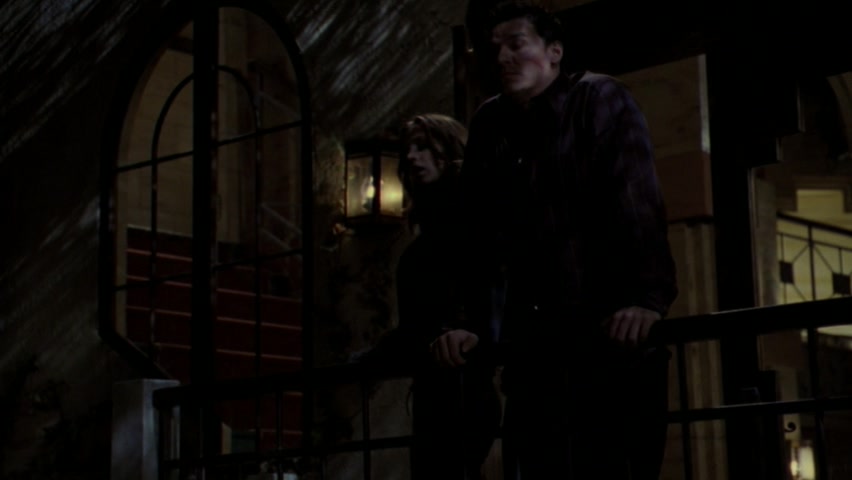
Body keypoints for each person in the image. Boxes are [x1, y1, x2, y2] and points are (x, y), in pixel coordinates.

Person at [429, 2, 679, 479]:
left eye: (516, 44)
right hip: (533, 353)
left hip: (607, 345)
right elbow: (476, 236)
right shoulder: (491, 123)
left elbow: (636, 201)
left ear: (554, 51)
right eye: (494, 49)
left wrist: (645, 298)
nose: (502, 57)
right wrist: (464, 322)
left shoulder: (598, 99)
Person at [360, 114, 501, 480]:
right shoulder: (421, 245)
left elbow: (493, 294)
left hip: (465, 388)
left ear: (448, 150)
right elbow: (414, 326)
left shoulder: (475, 224)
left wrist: (472, 332)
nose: (411, 156)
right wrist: (373, 358)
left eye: (422, 146)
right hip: (431, 394)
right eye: (408, 149)